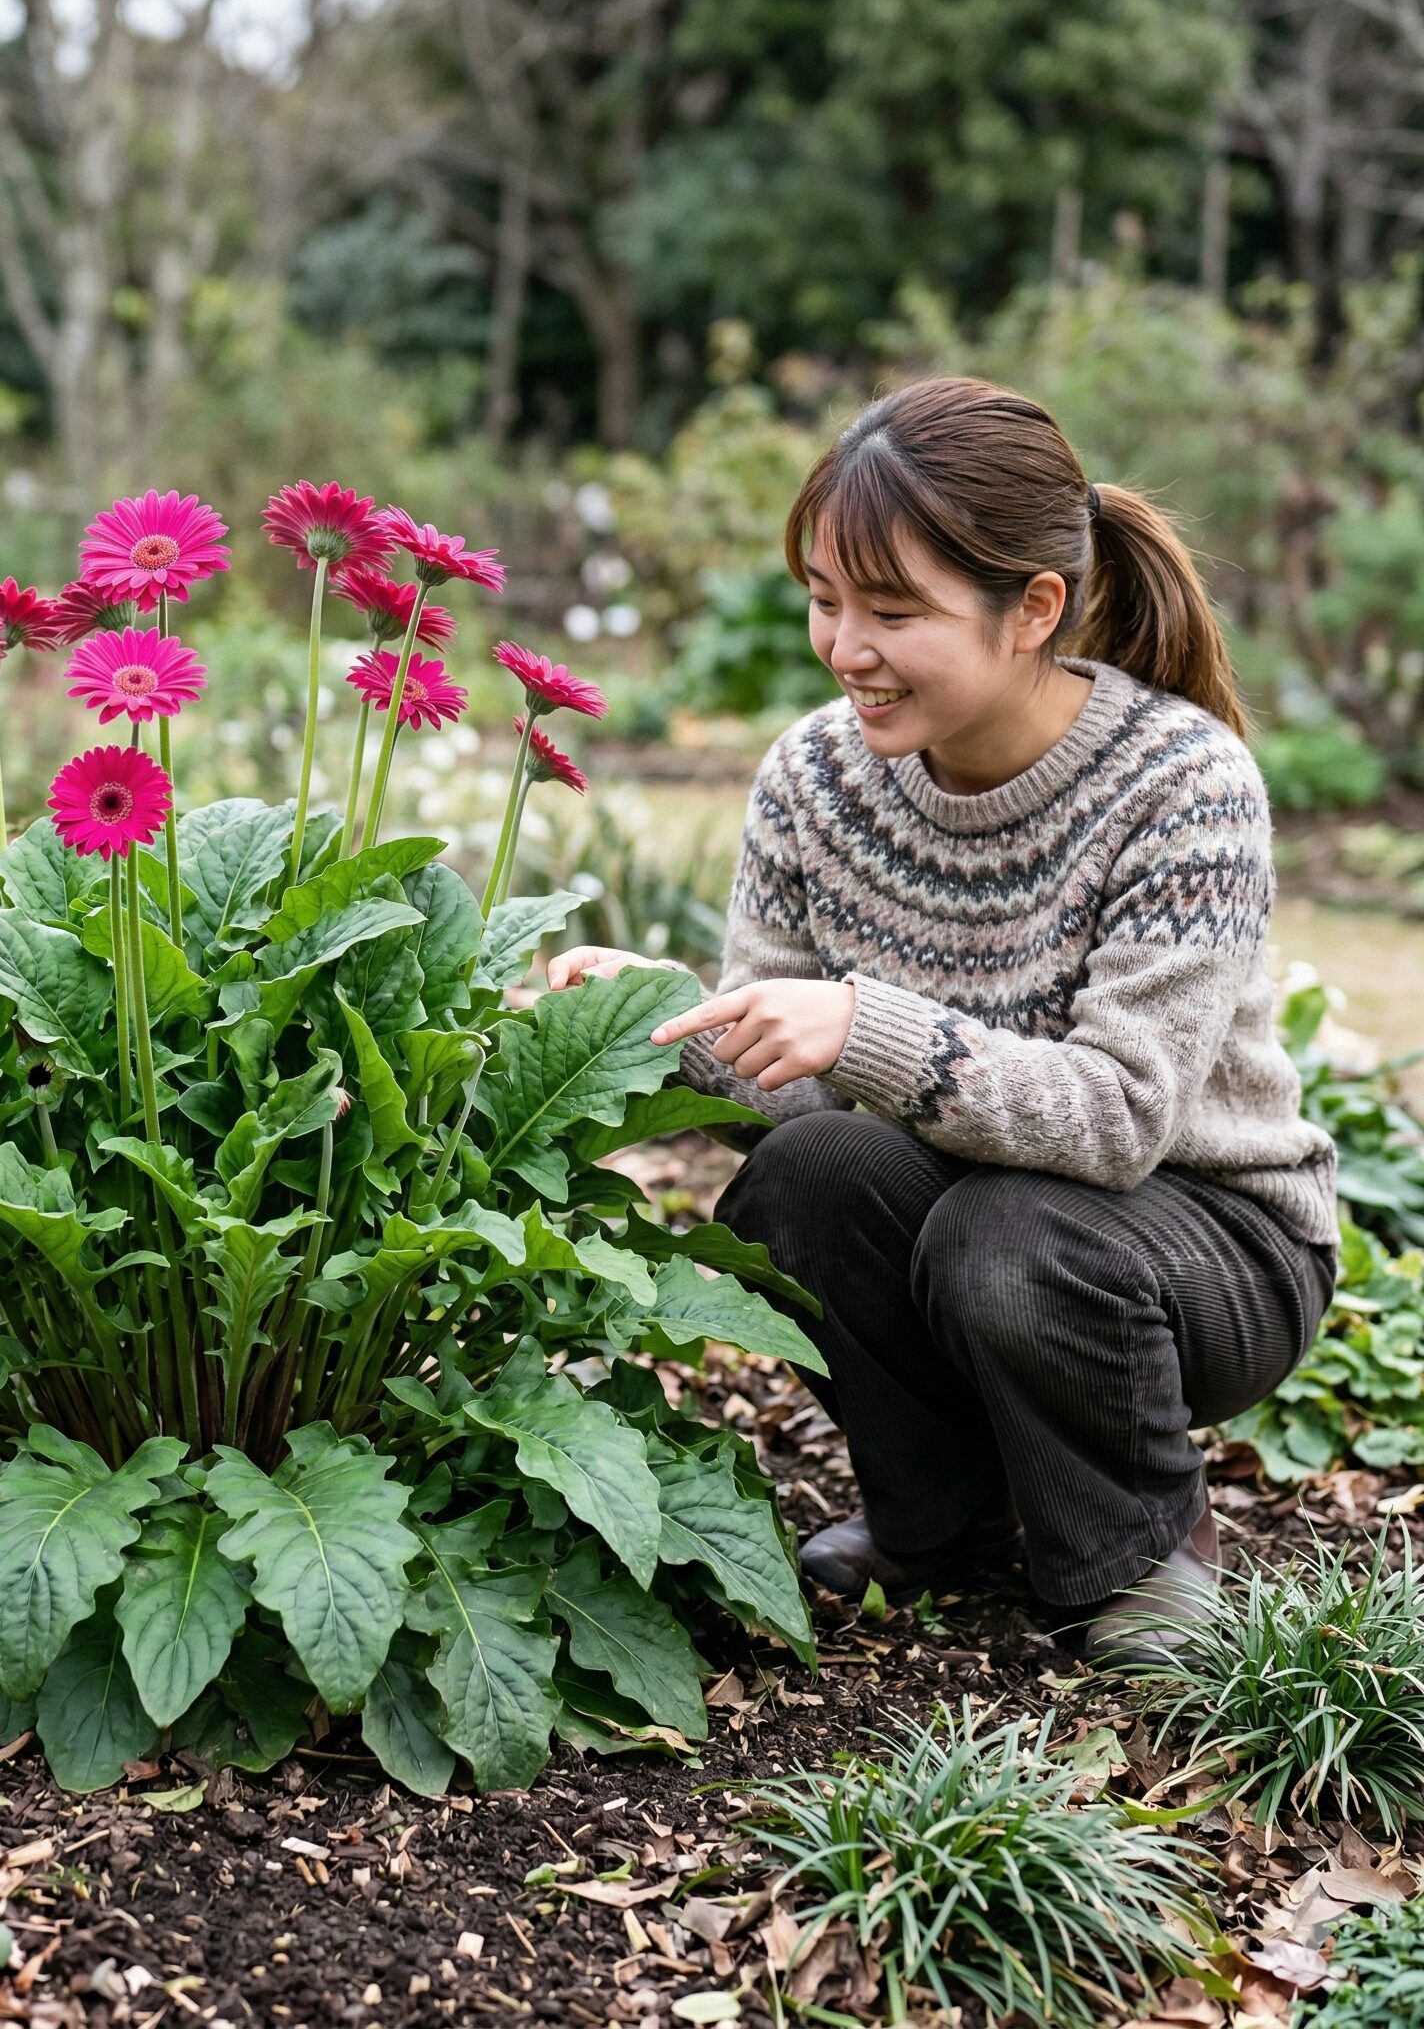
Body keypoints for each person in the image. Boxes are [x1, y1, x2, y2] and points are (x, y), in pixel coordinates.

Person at [546, 376, 1338, 1666]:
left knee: (1006, 1230)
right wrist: (671, 1018)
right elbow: (790, 1106)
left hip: (1213, 1245)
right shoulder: (815, 777)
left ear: (1033, 609)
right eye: (823, 599)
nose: (845, 646)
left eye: (893, 610)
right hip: (979, 1225)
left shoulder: (1183, 784)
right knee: (805, 1178)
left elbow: (1123, 1116)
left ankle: (1137, 1550)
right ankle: (939, 1516)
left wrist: (862, 1024)